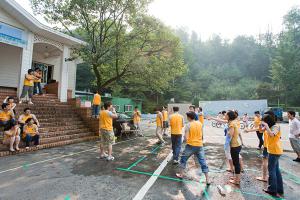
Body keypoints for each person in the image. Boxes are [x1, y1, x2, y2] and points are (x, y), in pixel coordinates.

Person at [176, 112, 210, 185]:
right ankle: (207, 179)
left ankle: (181, 174)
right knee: (203, 162)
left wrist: (184, 140)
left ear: (189, 117)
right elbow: (201, 135)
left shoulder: (188, 125)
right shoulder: (200, 124)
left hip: (190, 145)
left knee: (183, 159)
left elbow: (186, 138)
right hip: (199, 145)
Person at [261, 113, 284, 197]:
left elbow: (271, 134)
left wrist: (266, 125)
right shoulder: (270, 126)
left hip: (275, 151)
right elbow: (261, 130)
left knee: (272, 170)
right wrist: (263, 126)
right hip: (274, 150)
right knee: (276, 170)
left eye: (264, 121)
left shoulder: (275, 126)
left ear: (268, 121)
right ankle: (279, 189)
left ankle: (272, 189)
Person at [226, 110, 242, 185]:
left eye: (226, 115)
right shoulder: (234, 122)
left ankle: (237, 180)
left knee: (236, 163)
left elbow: (230, 134)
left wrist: (227, 131)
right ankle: (236, 177)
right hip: (238, 144)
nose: (225, 116)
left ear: (229, 116)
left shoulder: (232, 124)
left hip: (235, 145)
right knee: (236, 162)